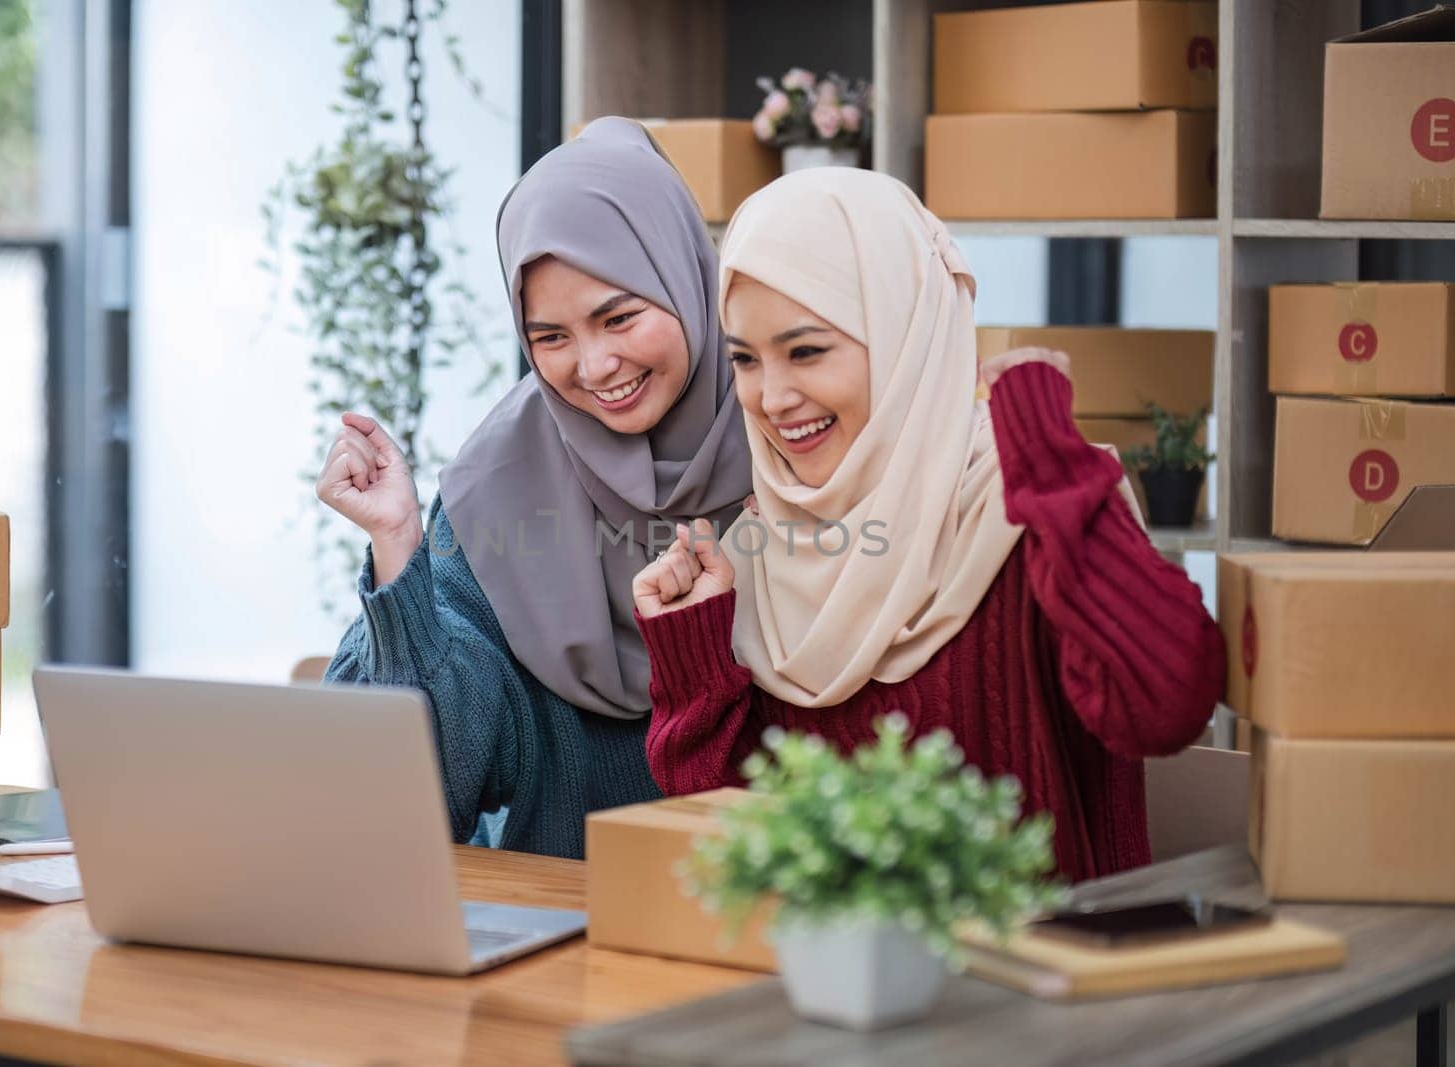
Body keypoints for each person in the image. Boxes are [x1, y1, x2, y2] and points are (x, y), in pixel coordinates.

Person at [631, 168, 1224, 881]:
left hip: (1047, 975)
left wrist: (1043, 443)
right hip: (839, 985)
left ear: (907, 334)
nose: (772, 397)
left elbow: (1164, 707)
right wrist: (697, 653)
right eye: (745, 360)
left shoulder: (1037, 504)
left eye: (808, 350)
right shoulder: (757, 549)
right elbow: (736, 858)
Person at [318, 118, 751, 860]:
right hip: (558, 922)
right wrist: (398, 545)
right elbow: (419, 800)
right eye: (549, 336)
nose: (595, 365)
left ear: (685, 277)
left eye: (619, 316)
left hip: (786, 924)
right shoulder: (499, 485)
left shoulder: (789, 436)